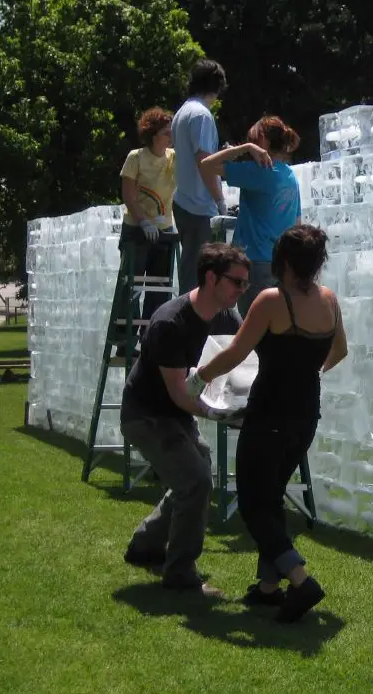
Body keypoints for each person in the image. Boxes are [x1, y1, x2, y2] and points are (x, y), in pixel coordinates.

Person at [189, 225, 347, 623]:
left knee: (256, 504)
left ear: (284, 262)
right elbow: (340, 350)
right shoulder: (329, 301)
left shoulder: (272, 301)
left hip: (269, 414)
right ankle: (267, 587)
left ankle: (300, 579)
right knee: (272, 496)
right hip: (305, 414)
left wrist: (198, 377)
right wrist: (307, 373)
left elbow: (236, 353)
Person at [120, 242, 249, 597]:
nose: (242, 290)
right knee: (195, 480)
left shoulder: (226, 317)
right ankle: (180, 572)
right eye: (237, 282)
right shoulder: (170, 322)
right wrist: (218, 414)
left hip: (176, 416)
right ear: (211, 278)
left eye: (245, 284)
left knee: (195, 472)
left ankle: (145, 546)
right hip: (147, 417)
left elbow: (240, 363)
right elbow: (180, 393)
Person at [198, 115, 301, 316]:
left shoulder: (258, 170)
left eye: (253, 140)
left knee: (252, 328)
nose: (251, 143)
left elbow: (205, 165)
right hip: (281, 264)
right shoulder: (290, 176)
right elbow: (297, 223)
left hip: (254, 263)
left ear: (263, 141)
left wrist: (242, 149)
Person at [117, 107, 180, 356]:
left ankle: (151, 339)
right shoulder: (136, 158)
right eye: (167, 132)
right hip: (137, 230)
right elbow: (129, 195)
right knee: (131, 286)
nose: (171, 137)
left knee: (160, 289)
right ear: (153, 135)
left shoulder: (174, 157)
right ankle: (124, 341)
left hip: (165, 230)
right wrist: (144, 222)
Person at [172, 59, 230, 294]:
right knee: (201, 277)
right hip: (199, 206)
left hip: (184, 201)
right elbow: (205, 163)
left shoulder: (182, 112)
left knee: (191, 270)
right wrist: (220, 201)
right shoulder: (201, 115)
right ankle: (192, 327)